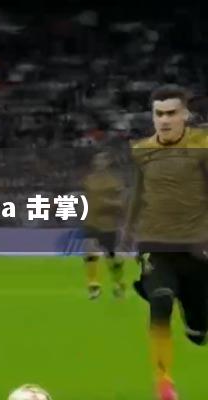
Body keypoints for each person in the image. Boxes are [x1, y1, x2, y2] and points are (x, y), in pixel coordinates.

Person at [121, 84, 208, 400]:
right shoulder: (142, 151)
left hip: (197, 247)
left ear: (185, 114)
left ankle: (195, 322)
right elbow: (138, 192)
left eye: (172, 113)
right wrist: (128, 231)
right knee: (160, 300)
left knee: (199, 329)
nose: (165, 120)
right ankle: (164, 382)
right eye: (159, 114)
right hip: (155, 243)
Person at [81, 151, 127, 299]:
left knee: (111, 258)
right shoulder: (89, 180)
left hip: (109, 224)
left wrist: (108, 203)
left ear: (108, 162)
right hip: (91, 222)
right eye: (97, 159)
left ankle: (118, 283)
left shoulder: (115, 182)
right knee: (90, 249)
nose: (99, 162)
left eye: (102, 159)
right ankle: (93, 286)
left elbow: (122, 203)